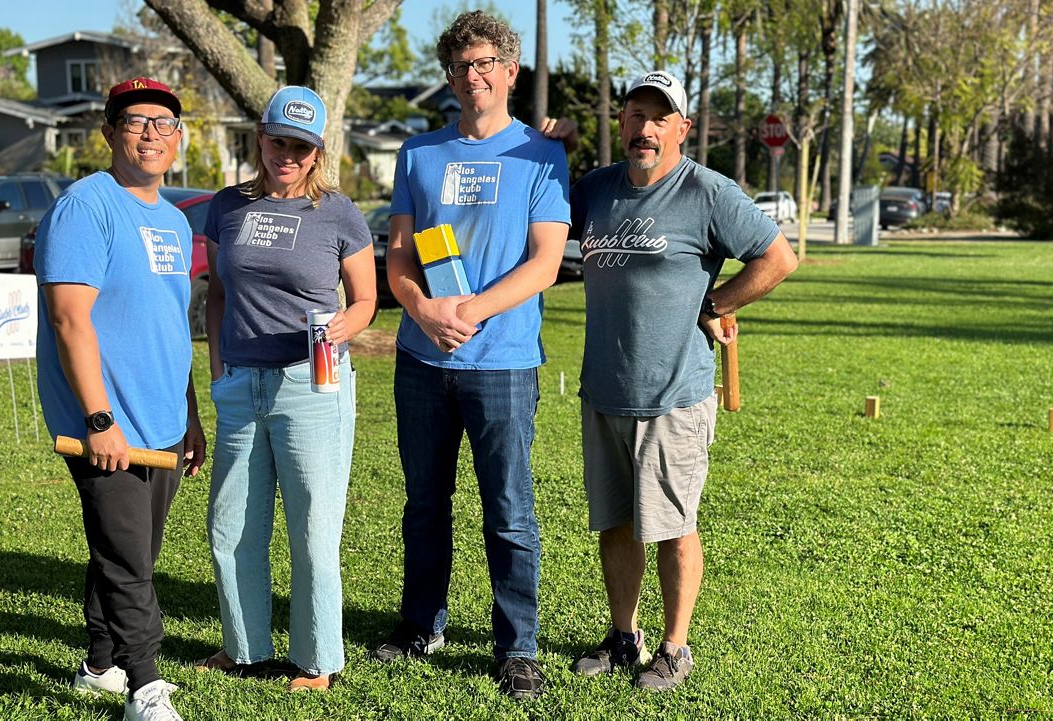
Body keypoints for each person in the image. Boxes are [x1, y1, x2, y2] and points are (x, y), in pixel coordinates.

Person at [562, 71, 798, 691]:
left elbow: (778, 258)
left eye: (660, 118)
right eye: (636, 115)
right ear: (621, 123)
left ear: (682, 129)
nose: (646, 128)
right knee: (614, 523)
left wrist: (717, 303)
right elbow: (530, 215)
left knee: (672, 524)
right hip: (604, 389)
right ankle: (623, 637)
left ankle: (674, 647)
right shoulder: (594, 191)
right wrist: (547, 147)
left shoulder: (708, 192)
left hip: (674, 394)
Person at [369, 10, 570, 701]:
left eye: (486, 63)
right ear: (449, 77)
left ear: (511, 72)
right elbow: (398, 255)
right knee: (424, 502)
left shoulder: (541, 156)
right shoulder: (419, 154)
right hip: (422, 361)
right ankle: (421, 623)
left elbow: (546, 262)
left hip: (504, 361)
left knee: (509, 508)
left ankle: (517, 646)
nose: (473, 76)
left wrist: (471, 311)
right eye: (461, 67)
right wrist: (424, 310)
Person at [35, 76, 206, 721]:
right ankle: (144, 686)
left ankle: (100, 667)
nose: (151, 134)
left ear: (178, 138)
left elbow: (169, 322)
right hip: (106, 421)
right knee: (128, 556)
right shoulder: (86, 207)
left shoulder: (172, 219)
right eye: (136, 122)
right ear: (108, 133)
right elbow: (70, 320)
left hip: (162, 419)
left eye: (164, 124)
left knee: (127, 550)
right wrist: (99, 418)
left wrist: (188, 417)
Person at [194, 85, 376, 693]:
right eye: (278, 141)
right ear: (260, 139)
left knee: (312, 527)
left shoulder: (340, 214)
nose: (288, 155)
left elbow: (367, 299)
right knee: (230, 524)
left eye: (302, 146)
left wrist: (338, 330)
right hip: (242, 384)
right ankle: (244, 648)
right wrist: (220, 369)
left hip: (312, 384)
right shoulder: (225, 207)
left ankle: (318, 659)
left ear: (318, 151)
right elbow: (217, 294)